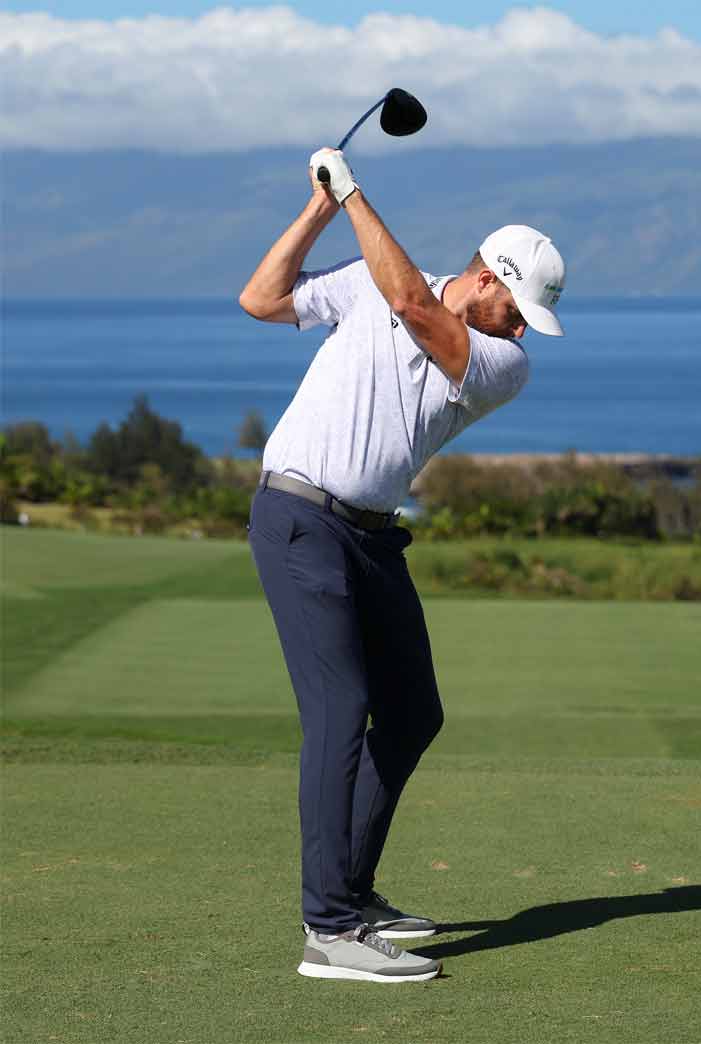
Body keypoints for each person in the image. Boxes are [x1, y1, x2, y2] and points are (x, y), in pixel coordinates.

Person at [237, 146, 566, 979]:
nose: (524, 328)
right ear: (487, 277)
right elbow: (261, 298)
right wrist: (318, 208)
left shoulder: (503, 364)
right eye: (517, 307)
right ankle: (330, 929)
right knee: (341, 711)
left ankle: (352, 886)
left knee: (413, 712)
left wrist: (352, 190)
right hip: (298, 516)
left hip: (375, 538)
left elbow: (417, 308)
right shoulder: (369, 281)